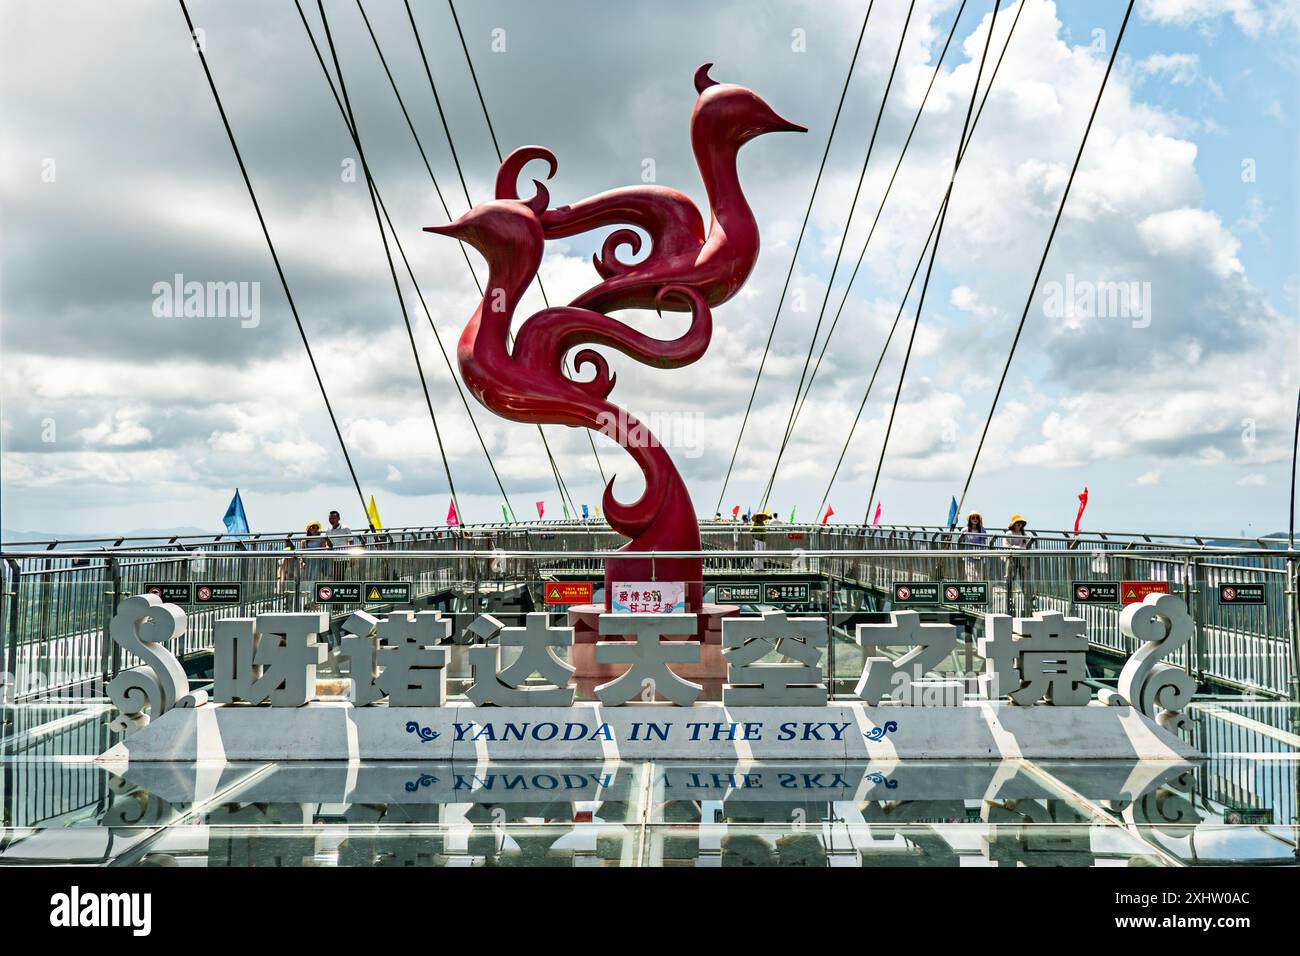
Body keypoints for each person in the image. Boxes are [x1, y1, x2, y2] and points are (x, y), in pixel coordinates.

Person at [1002, 514, 1034, 614]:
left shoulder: (1023, 534)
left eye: (1020, 523)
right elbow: (1006, 546)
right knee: (1009, 578)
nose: (1019, 524)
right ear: (1013, 524)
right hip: (1010, 559)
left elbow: (1026, 545)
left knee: (1023, 577)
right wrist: (1016, 548)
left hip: (1020, 558)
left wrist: (1016, 547)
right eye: (1017, 523)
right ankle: (1009, 598)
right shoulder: (1008, 534)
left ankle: (1028, 597)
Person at [958, 512, 989, 582]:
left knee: (979, 574)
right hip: (968, 555)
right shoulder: (965, 530)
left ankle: (978, 588)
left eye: (977, 518)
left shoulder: (982, 530)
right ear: (970, 519)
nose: (975, 519)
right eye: (973, 517)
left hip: (979, 554)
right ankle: (972, 588)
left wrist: (981, 526)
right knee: (970, 574)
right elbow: (960, 540)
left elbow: (984, 539)